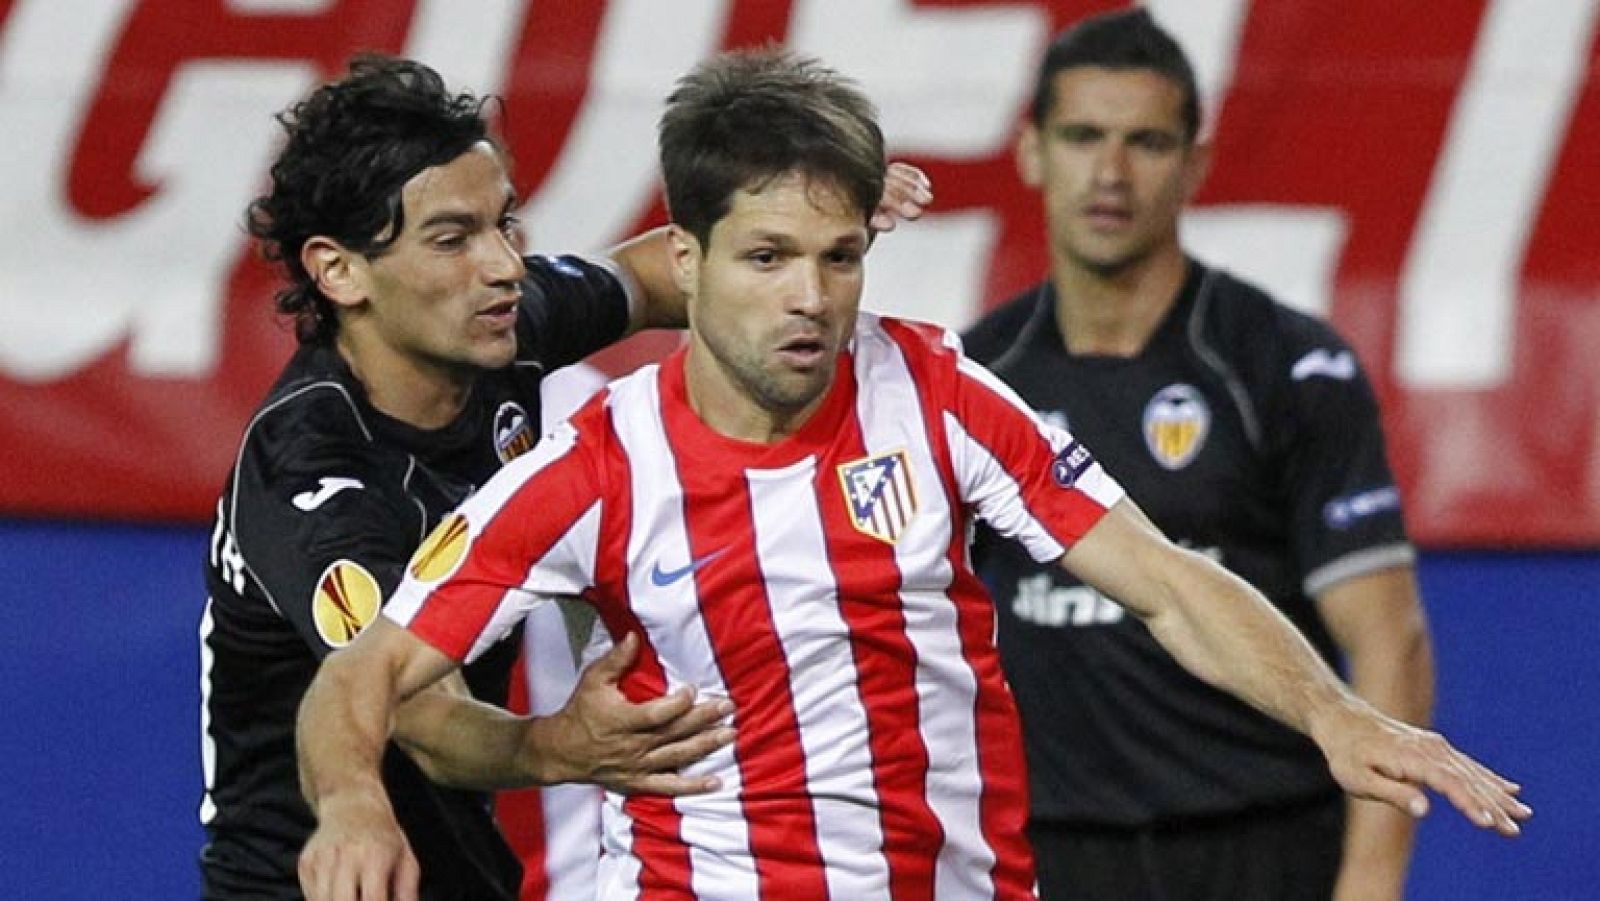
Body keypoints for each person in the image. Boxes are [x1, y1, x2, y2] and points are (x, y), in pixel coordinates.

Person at [292, 47, 1527, 901]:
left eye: (839, 256)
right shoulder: (596, 466)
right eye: (768, 257)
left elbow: (1165, 582)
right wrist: (353, 802)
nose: (810, 299)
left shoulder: (936, 396)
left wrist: (1334, 713)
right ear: (686, 257)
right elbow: (365, 675)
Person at [198, 52, 927, 899]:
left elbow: (661, 270)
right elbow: (416, 713)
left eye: (504, 223)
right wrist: (554, 748)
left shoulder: (506, 328)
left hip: (465, 872)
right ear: (338, 270)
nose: (504, 265)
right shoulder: (314, 470)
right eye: (452, 239)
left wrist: (803, 213)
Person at [961, 10, 1441, 899]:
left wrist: (1371, 883)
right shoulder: (976, 376)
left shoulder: (1285, 365)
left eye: (1146, 141)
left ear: (1197, 162)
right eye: (1082, 137)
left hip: (1263, 845)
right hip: (1051, 855)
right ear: (1030, 151)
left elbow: (1389, 643)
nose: (1110, 173)